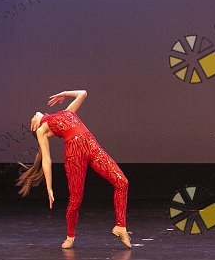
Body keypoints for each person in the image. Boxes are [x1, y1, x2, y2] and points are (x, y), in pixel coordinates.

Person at [16, 90, 131, 250]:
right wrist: (49, 187)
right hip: (74, 155)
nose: (34, 114)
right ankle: (70, 237)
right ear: (34, 126)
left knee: (122, 182)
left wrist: (64, 94)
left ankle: (120, 226)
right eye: (32, 119)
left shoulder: (66, 112)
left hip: (92, 147)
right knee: (75, 200)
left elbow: (83, 93)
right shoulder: (42, 131)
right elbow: (46, 160)